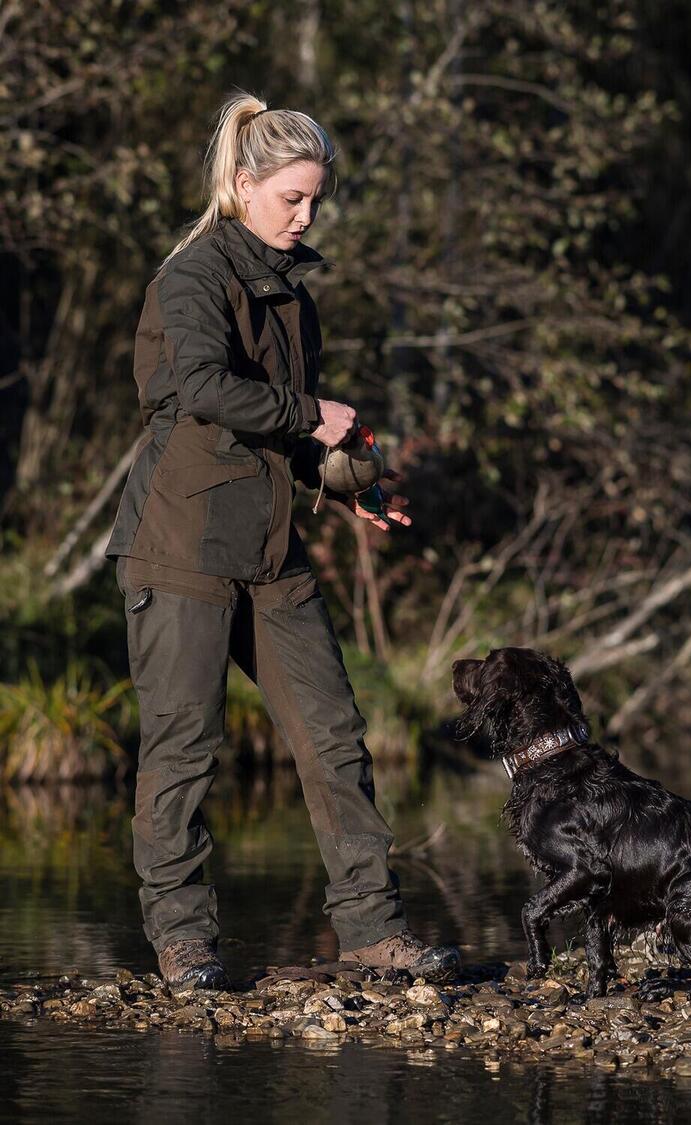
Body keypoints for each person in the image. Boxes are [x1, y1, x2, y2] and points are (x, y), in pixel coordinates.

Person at [105, 92, 460, 990]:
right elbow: (201, 389)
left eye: (314, 201)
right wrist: (312, 413)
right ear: (241, 183)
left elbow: (283, 435)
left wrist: (348, 485)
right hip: (179, 545)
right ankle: (185, 945)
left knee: (335, 732)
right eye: (291, 198)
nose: (305, 217)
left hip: (270, 549)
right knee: (184, 748)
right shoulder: (190, 277)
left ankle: (373, 929)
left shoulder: (293, 293)